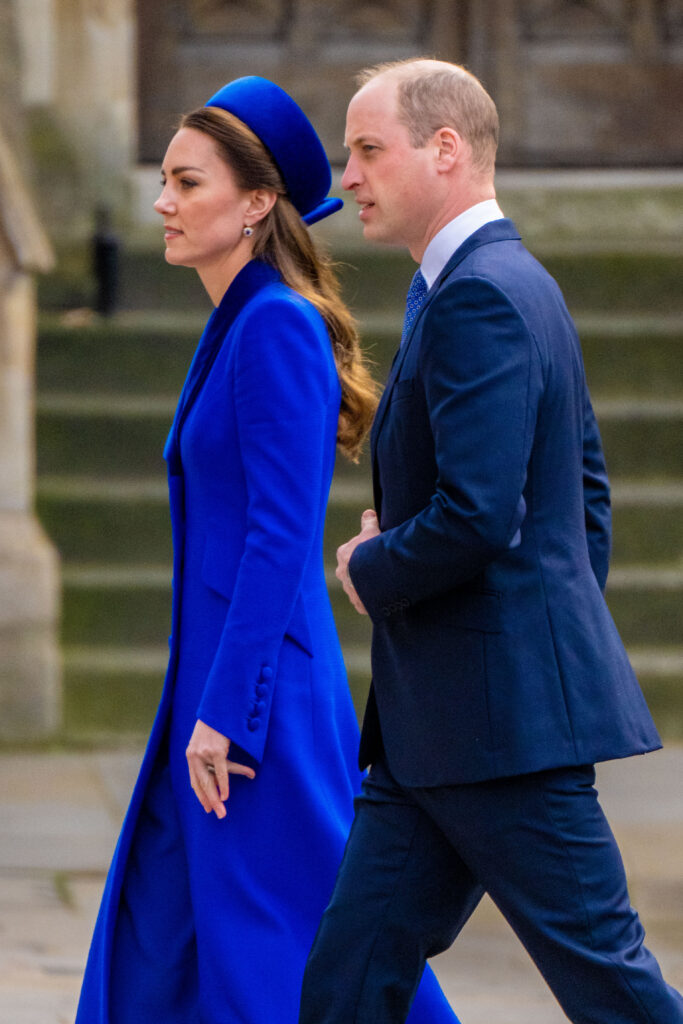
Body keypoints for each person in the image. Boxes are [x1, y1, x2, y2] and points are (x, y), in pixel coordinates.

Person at [299, 59, 683, 1024]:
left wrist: (369, 563)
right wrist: (543, 622)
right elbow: (580, 495)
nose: (347, 177)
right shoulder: (495, 283)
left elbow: (480, 515)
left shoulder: (481, 295)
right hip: (442, 727)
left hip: (500, 733)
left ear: (446, 149)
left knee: (612, 987)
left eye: (367, 150)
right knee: (346, 986)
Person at [74, 76, 461, 1024]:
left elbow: (280, 537)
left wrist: (231, 715)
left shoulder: (276, 326)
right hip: (211, 693)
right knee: (160, 943)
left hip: (256, 710)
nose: (161, 201)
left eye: (185, 182)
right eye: (164, 180)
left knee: (285, 949)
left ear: (255, 204)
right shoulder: (237, 321)